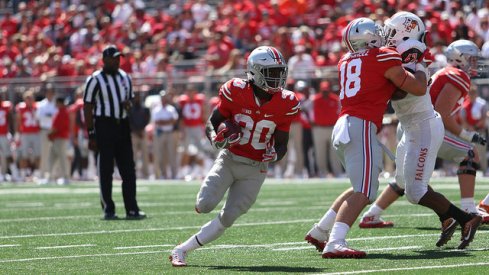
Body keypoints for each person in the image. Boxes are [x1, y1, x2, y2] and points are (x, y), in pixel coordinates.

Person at [304, 17, 428, 258]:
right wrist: (420, 66)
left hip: (344, 124)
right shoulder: (383, 56)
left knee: (359, 187)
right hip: (360, 125)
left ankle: (321, 231)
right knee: (365, 191)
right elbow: (417, 88)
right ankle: (335, 242)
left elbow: (381, 84)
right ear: (371, 37)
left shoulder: (345, 60)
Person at [169, 46, 300, 267]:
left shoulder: (286, 102)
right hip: (229, 159)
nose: (278, 78)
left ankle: (182, 249)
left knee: (228, 218)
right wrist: (216, 138)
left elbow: (282, 144)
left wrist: (274, 154)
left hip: (256, 169)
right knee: (204, 205)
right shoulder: (236, 90)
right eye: (272, 72)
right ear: (255, 72)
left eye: (280, 72)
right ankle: (192, 228)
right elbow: (212, 122)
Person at [372, 12, 481, 249]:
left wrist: (378, 85)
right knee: (402, 181)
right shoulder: (401, 49)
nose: (386, 33)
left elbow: (405, 90)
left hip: (423, 125)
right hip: (411, 125)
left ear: (404, 31)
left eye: (391, 29)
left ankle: (467, 217)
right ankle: (449, 217)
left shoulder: (410, 49)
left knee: (415, 191)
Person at [360, 39, 489, 228]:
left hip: (411, 124)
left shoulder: (445, 73)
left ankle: (372, 214)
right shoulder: (457, 75)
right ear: (460, 59)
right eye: (472, 59)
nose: (476, 63)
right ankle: (468, 210)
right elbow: (442, 112)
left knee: (405, 177)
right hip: (425, 125)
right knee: (469, 153)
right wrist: (468, 136)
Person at [83, 45, 146, 220]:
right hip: (104, 125)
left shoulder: (125, 77)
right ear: (105, 60)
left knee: (128, 169)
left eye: (119, 58)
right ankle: (108, 208)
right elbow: (87, 106)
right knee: (106, 169)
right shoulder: (95, 79)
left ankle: (132, 208)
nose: (118, 61)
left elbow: (130, 100)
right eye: (114, 58)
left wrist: (129, 105)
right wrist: (91, 132)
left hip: (122, 125)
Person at [309, 80, 342, 177]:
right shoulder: (314, 99)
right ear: (320, 90)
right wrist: (310, 121)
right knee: (320, 152)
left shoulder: (336, 99)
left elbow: (340, 112)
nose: (325, 93)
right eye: (323, 91)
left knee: (335, 152)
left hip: (332, 128)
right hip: (319, 128)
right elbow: (306, 110)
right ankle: (322, 172)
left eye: (326, 90)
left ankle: (338, 172)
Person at [151, 90, 179, 179]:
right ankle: (163, 174)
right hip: (161, 134)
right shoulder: (156, 109)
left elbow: (174, 121)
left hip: (170, 134)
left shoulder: (171, 108)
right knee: (161, 155)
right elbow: (157, 122)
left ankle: (174, 174)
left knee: (172, 155)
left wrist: (163, 121)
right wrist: (168, 121)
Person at [15, 90, 41, 181]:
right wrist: (17, 134)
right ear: (24, 100)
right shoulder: (21, 108)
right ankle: (23, 175)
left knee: (38, 154)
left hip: (36, 133)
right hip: (25, 134)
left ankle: (37, 174)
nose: (29, 100)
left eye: (31, 98)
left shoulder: (38, 107)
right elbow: (18, 122)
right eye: (27, 99)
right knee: (24, 155)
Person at [46, 97, 70, 185]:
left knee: (62, 158)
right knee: (51, 158)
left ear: (60, 103)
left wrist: (50, 133)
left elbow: (58, 127)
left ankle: (66, 177)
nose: (55, 104)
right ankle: (49, 177)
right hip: (55, 138)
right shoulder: (59, 112)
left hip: (60, 138)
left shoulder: (63, 112)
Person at [36, 83, 57, 179]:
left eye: (51, 92)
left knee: (55, 153)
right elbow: (39, 118)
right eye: (48, 92)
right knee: (44, 153)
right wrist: (49, 117)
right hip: (44, 130)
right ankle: (42, 174)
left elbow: (57, 117)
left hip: (55, 131)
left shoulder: (57, 104)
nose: (50, 94)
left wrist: (48, 116)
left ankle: (54, 175)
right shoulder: (41, 104)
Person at [128, 91, 151, 179]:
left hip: (142, 132)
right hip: (134, 133)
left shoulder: (145, 108)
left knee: (145, 154)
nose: (137, 98)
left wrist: (141, 130)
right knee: (133, 155)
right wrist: (136, 131)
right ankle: (134, 173)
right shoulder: (130, 109)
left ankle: (146, 173)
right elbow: (129, 121)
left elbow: (147, 119)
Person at [0, 93, 12, 182]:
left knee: (7, 154)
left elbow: (10, 120)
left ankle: (14, 172)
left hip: (4, 134)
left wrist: (11, 132)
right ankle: (2, 174)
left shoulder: (6, 106)